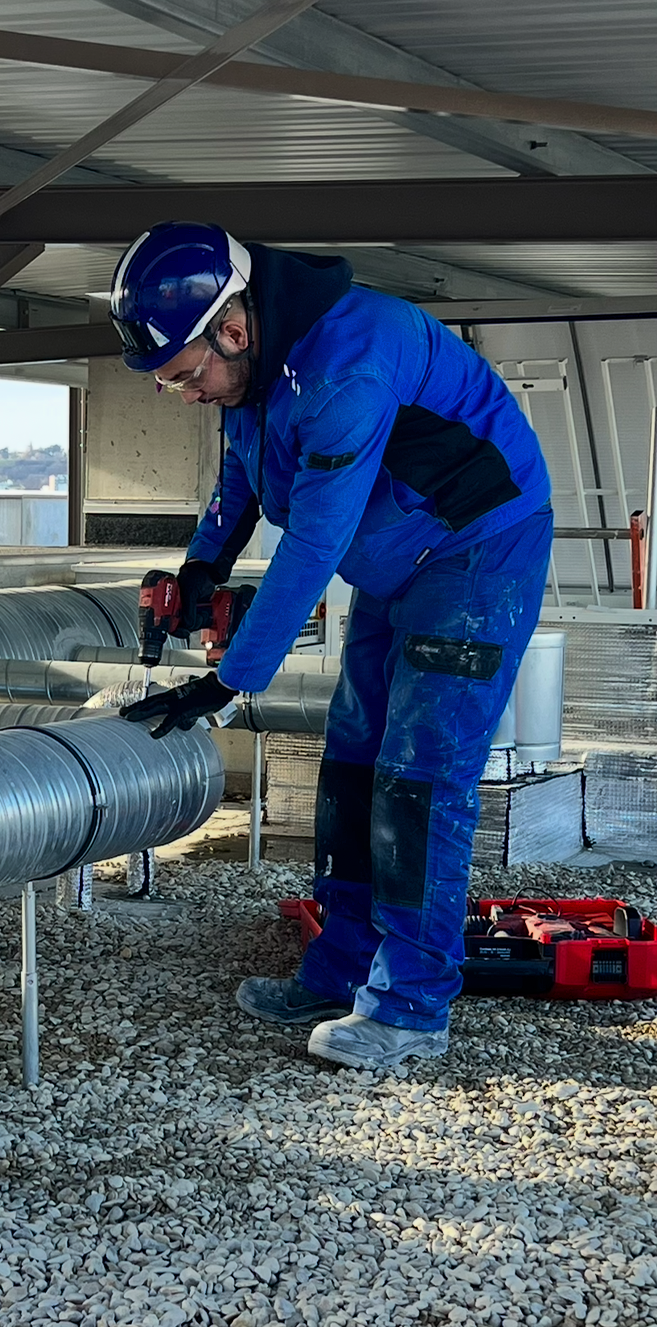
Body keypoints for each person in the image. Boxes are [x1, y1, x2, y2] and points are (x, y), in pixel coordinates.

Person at [109, 223, 553, 1073]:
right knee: (351, 762)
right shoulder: (254, 366)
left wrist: (229, 682)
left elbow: (313, 545)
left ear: (231, 329)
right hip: (395, 557)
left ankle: (410, 1008)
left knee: (419, 781)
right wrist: (204, 565)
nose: (186, 396)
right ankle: (343, 967)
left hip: (474, 555)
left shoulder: (349, 365)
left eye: (186, 376)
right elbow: (242, 469)